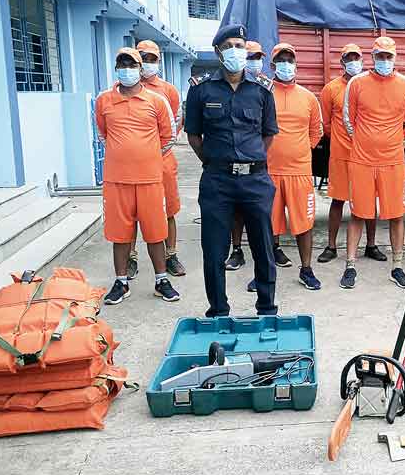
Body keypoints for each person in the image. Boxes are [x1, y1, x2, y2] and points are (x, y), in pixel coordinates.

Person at [184, 24, 280, 316]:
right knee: (214, 250)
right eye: (229, 46)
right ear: (218, 52)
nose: (236, 51)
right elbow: (194, 136)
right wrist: (216, 162)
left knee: (263, 247)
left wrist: (251, 161)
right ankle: (218, 310)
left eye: (240, 45)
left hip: (256, 180)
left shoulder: (262, 89)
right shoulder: (201, 89)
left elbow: (269, 133)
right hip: (217, 181)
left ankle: (266, 308)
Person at [96, 47, 180, 305]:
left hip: (150, 180)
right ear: (116, 69)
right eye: (121, 64)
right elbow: (103, 133)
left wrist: (147, 157)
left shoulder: (156, 100)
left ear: (140, 69)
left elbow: (169, 137)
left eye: (131, 64)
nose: (127, 69)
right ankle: (121, 282)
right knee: (119, 234)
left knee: (156, 232)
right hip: (116, 181)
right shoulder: (104, 101)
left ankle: (161, 280)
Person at [340, 36, 405, 290]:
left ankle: (397, 266)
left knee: (396, 215)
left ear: (395, 58)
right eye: (380, 56)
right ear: (372, 57)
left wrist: (396, 145)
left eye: (388, 56)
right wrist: (364, 142)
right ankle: (350, 265)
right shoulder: (357, 83)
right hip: (362, 161)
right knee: (358, 213)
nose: (384, 60)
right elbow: (348, 120)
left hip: (393, 163)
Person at [246, 43, 323, 292]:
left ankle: (306, 270)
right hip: (268, 172)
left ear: (296, 64)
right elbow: (253, 130)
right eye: (281, 60)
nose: (286, 65)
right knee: (267, 225)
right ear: (272, 65)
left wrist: (298, 151)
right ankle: (263, 274)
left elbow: (316, 132)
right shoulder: (262, 93)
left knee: (304, 224)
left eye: (290, 60)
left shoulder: (309, 98)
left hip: (300, 172)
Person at [121, 40, 186, 280]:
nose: (147, 64)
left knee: (167, 211)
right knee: (130, 215)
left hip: (162, 162)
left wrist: (152, 152)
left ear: (158, 61)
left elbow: (175, 124)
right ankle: (130, 258)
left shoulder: (167, 90)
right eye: (143, 58)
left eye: (151, 59)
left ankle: (171, 255)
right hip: (130, 168)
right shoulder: (118, 90)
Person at [316, 44, 386, 264]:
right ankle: (331, 246)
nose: (354, 61)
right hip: (341, 154)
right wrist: (342, 139)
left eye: (357, 57)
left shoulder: (369, 86)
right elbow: (325, 124)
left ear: (363, 60)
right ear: (342, 62)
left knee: (369, 201)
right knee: (338, 200)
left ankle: (371, 245)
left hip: (367, 155)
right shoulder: (330, 89)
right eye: (349, 58)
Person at [225, 40, 267, 271]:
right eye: (250, 57)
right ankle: (237, 250)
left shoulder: (264, 88)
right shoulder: (227, 89)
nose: (253, 62)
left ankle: (269, 251)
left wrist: (260, 155)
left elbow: (269, 131)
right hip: (234, 161)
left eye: (257, 58)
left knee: (261, 213)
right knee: (236, 212)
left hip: (260, 163)